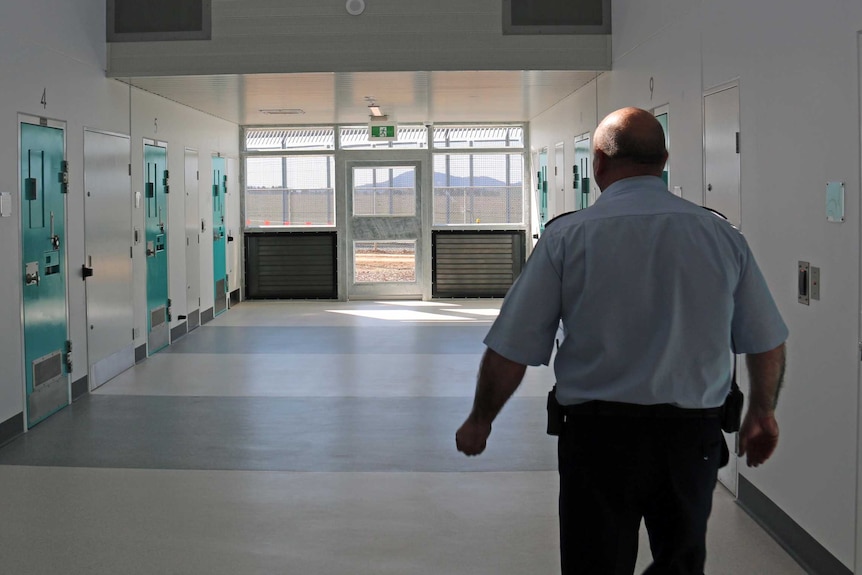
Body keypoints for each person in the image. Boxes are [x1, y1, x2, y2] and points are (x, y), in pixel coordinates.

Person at [455, 107, 788, 575]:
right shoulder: (720, 236)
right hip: (691, 439)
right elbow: (765, 339)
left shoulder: (566, 238)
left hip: (597, 438)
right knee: (680, 560)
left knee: (595, 563)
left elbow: (512, 347)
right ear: (663, 160)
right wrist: (762, 412)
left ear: (598, 163)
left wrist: (480, 420)